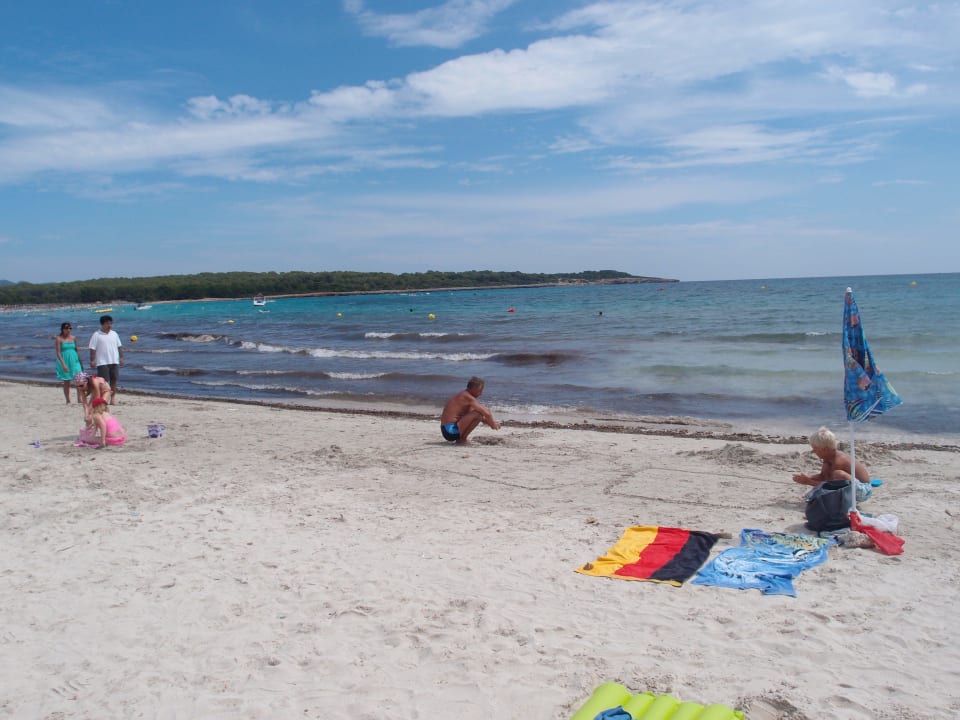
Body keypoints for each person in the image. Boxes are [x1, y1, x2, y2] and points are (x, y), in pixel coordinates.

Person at [792, 426, 870, 486]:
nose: (813, 451)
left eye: (815, 449)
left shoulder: (838, 462)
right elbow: (823, 476)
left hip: (861, 488)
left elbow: (829, 485)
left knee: (838, 474)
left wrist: (808, 482)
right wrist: (808, 477)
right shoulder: (828, 458)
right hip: (847, 483)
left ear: (825, 449)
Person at [440, 376, 501, 445]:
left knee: (477, 414)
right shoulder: (467, 397)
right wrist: (492, 424)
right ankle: (462, 440)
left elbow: (478, 418)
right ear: (474, 388)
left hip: (446, 430)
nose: (481, 394)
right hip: (450, 431)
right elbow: (487, 413)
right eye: (480, 391)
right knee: (478, 413)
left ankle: (461, 439)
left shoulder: (464, 396)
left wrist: (490, 423)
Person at [89, 315, 124, 404]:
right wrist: (92, 360)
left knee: (114, 380)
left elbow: (119, 347)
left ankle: (113, 398)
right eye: (107, 323)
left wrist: (121, 357)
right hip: (102, 362)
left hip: (114, 360)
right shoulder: (96, 335)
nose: (109, 325)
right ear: (102, 324)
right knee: (103, 382)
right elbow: (93, 348)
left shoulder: (114, 334)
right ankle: (103, 397)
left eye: (111, 323)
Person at [55, 322, 83, 403]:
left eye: (70, 328)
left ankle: (79, 399)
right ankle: (68, 400)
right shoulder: (59, 339)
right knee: (67, 381)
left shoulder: (74, 338)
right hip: (65, 360)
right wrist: (63, 364)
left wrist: (80, 361)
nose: (68, 330)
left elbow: (77, 350)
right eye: (66, 328)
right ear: (62, 329)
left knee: (79, 379)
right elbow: (58, 353)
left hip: (75, 360)